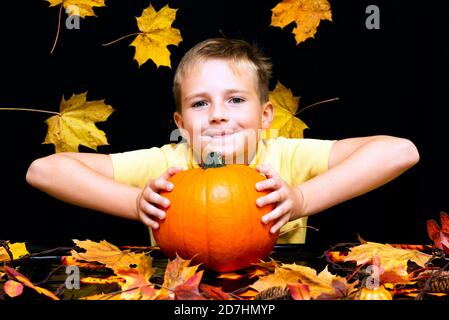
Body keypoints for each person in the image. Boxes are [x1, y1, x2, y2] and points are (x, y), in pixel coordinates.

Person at [26, 38, 420, 245]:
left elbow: (401, 151)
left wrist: (303, 199)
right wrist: (134, 202)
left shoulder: (285, 154)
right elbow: (42, 171)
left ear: (266, 116)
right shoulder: (169, 164)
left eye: (235, 99)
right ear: (180, 122)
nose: (218, 114)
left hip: (274, 289)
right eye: (200, 103)